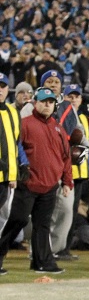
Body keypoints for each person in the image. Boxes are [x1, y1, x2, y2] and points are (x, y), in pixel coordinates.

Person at [0, 87, 71, 274]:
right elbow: (14, 148)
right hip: (28, 183)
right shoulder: (24, 124)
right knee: (18, 220)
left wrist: (67, 181)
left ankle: (42, 262)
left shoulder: (58, 128)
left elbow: (66, 157)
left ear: (55, 105)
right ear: (35, 103)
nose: (47, 105)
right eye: (43, 101)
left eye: (50, 102)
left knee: (43, 225)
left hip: (49, 185)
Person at [62, 84, 89, 259]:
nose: (73, 99)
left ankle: (65, 248)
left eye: (76, 96)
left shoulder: (83, 118)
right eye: (70, 96)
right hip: (67, 173)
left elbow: (87, 148)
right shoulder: (64, 119)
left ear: (81, 99)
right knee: (64, 212)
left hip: (80, 173)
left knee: (72, 212)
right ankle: (59, 247)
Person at [0, 73, 25, 269]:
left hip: (8, 177)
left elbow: (16, 145)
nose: (0, 90)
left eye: (3, 86)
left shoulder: (12, 112)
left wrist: (16, 171)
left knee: (4, 218)